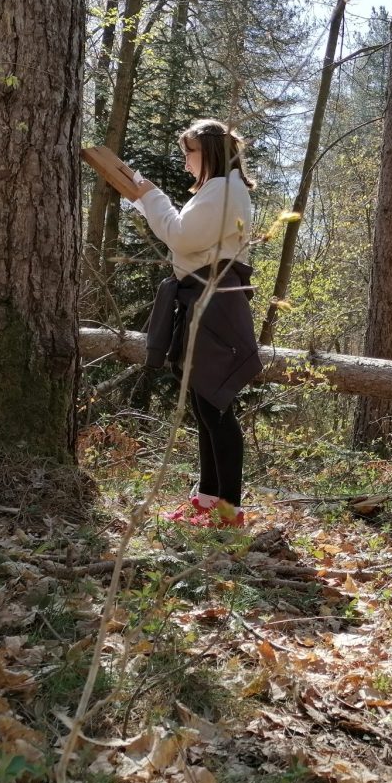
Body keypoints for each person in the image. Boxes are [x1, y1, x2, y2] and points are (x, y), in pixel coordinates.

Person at [132, 119, 261, 527]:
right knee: (205, 406)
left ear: (208, 153)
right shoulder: (219, 189)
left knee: (215, 407)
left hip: (214, 303)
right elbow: (187, 239)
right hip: (205, 299)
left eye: (189, 152)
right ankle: (208, 499)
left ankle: (229, 510)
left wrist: (151, 197)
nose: (185, 161)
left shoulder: (224, 190)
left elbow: (183, 238)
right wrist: (147, 199)